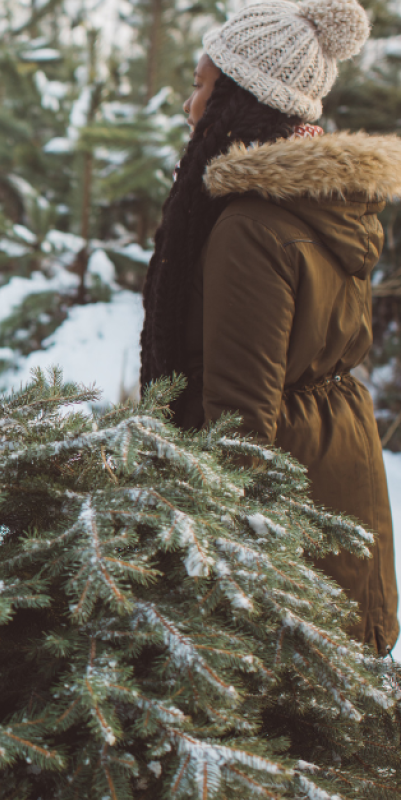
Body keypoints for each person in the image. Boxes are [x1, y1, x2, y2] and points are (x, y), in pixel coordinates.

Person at [139, 0, 401, 652]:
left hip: (286, 483)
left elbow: (240, 419)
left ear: (239, 100)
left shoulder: (250, 226)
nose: (189, 107)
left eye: (200, 86)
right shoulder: (318, 202)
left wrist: (221, 558)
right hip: (333, 458)